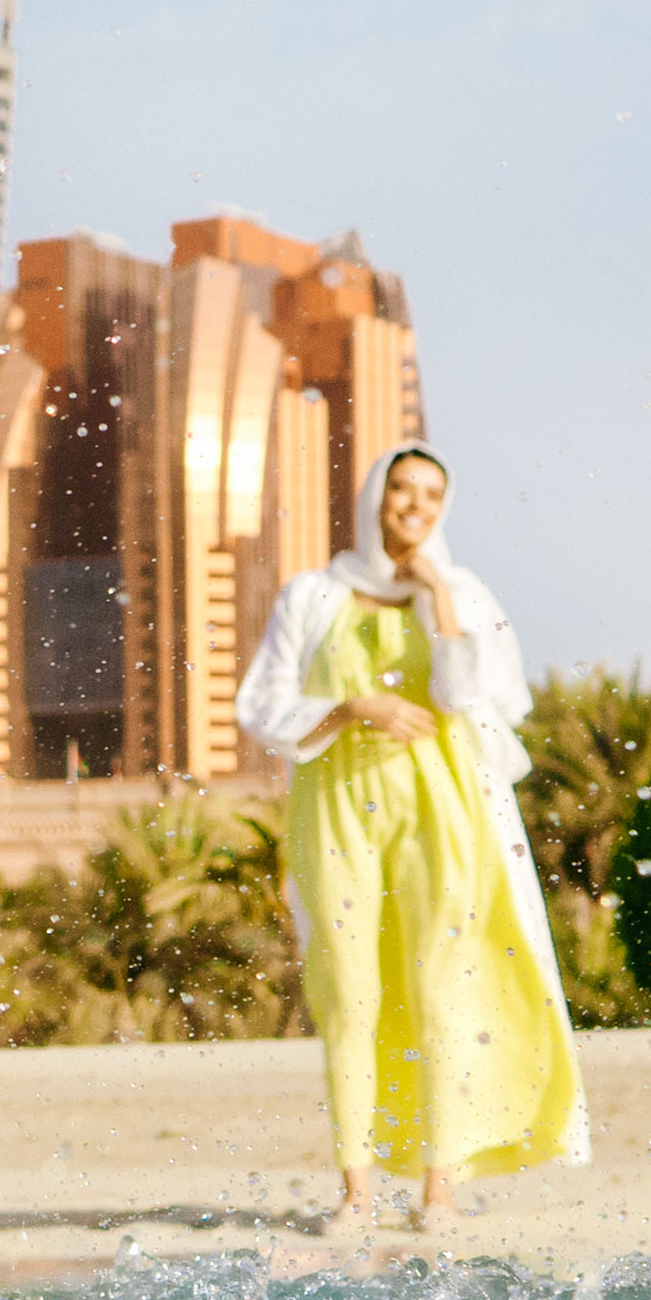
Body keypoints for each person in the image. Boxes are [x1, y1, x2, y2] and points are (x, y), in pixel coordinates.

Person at [235, 444, 584, 1229]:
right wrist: (354, 707)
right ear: (374, 497)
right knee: (349, 990)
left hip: (440, 806)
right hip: (337, 805)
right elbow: (262, 705)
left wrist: (438, 597)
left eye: (431, 494)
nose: (414, 505)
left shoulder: (461, 592)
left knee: (441, 987)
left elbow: (471, 695)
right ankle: (357, 1192)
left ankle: (439, 1189)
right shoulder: (313, 594)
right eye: (401, 489)